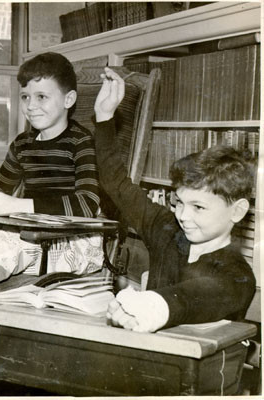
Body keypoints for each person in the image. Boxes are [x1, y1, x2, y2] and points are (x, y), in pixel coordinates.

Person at [93, 67, 256, 333]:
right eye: (178, 202)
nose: (183, 215)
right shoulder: (166, 229)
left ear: (237, 211)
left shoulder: (237, 275)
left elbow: (191, 297)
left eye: (198, 207)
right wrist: (104, 116)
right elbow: (115, 183)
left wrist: (144, 307)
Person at [0, 52, 100, 217]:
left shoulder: (81, 141)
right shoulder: (22, 144)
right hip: (31, 230)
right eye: (25, 97)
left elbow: (88, 203)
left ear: (68, 100)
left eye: (41, 97)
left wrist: (21, 205)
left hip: (71, 235)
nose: (31, 105)